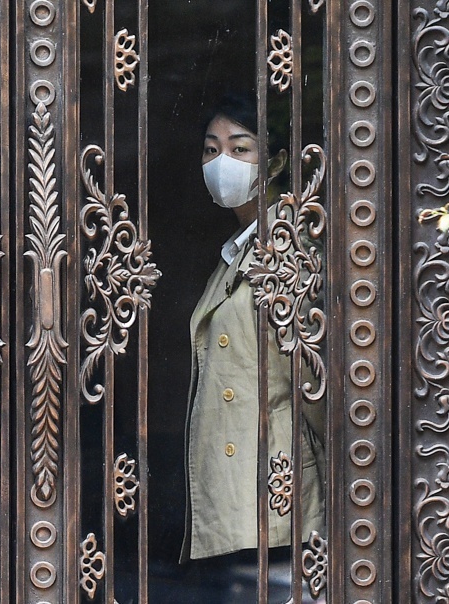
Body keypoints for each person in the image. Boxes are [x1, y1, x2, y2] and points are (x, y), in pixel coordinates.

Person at [181, 93, 325, 562]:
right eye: (211, 148)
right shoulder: (237, 250)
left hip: (274, 486)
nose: (222, 161)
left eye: (240, 148)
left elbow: (315, 378)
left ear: (278, 161)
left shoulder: (287, 249)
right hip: (244, 479)